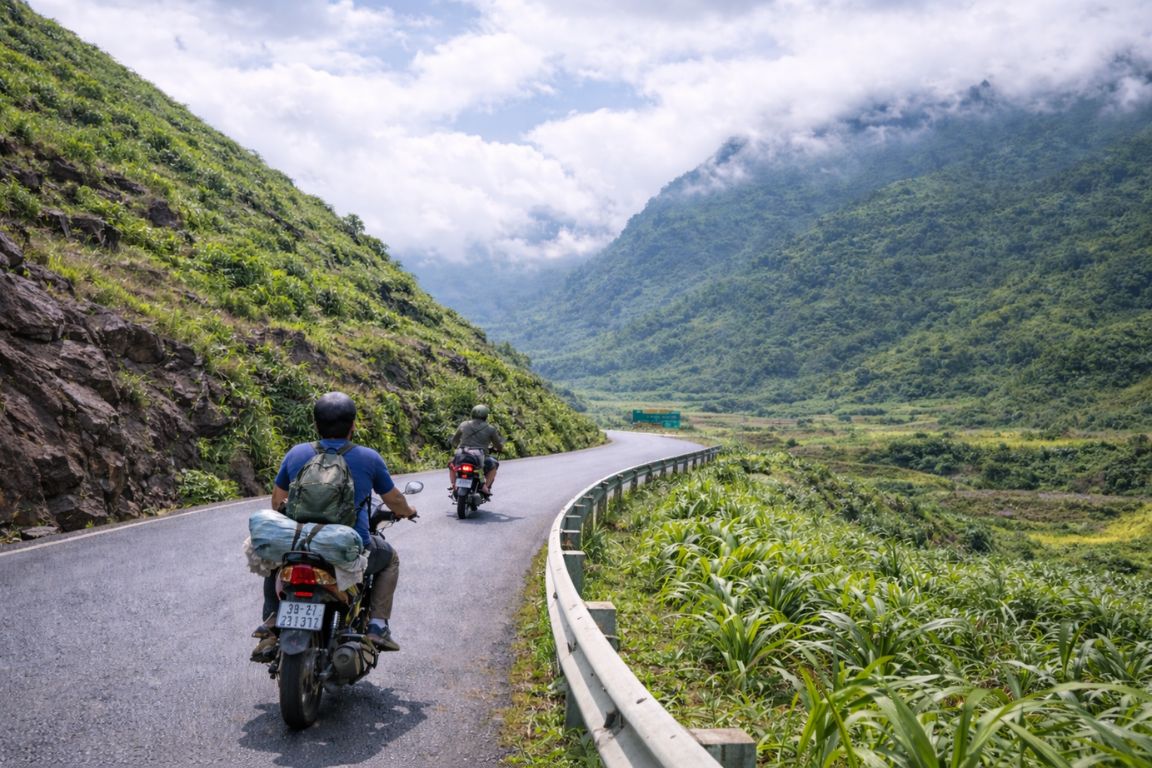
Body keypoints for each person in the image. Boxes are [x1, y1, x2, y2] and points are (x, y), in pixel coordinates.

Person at [253, 391, 417, 660]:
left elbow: (277, 501)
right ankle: (377, 625)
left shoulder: (296, 454)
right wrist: (408, 511)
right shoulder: (369, 458)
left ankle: (271, 620)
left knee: (277, 557)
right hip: (347, 547)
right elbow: (395, 500)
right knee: (389, 559)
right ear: (353, 425)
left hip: (302, 545)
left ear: (316, 425)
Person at [448, 404, 505, 496]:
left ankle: (453, 484)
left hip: (462, 454)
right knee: (493, 466)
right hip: (480, 456)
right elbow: (498, 445)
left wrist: (456, 446)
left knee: (451, 464)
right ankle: (485, 487)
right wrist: (499, 449)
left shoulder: (464, 424)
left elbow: (455, 441)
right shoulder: (490, 429)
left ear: (472, 414)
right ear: (486, 416)